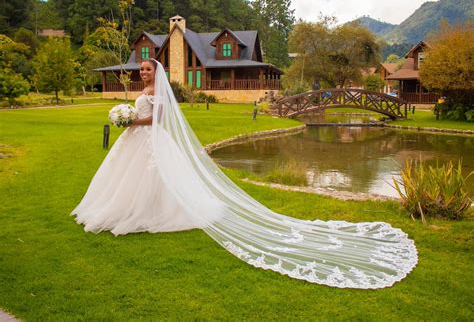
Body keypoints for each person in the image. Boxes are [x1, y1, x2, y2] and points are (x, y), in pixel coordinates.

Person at [72, 59, 418, 289]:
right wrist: (128, 118)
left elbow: (158, 120)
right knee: (131, 177)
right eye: (142, 70)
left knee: (158, 176)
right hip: (136, 140)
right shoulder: (141, 91)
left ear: (156, 73)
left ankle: (157, 211)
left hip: (149, 138)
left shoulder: (159, 92)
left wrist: (130, 119)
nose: (144, 73)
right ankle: (137, 206)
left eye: (148, 69)